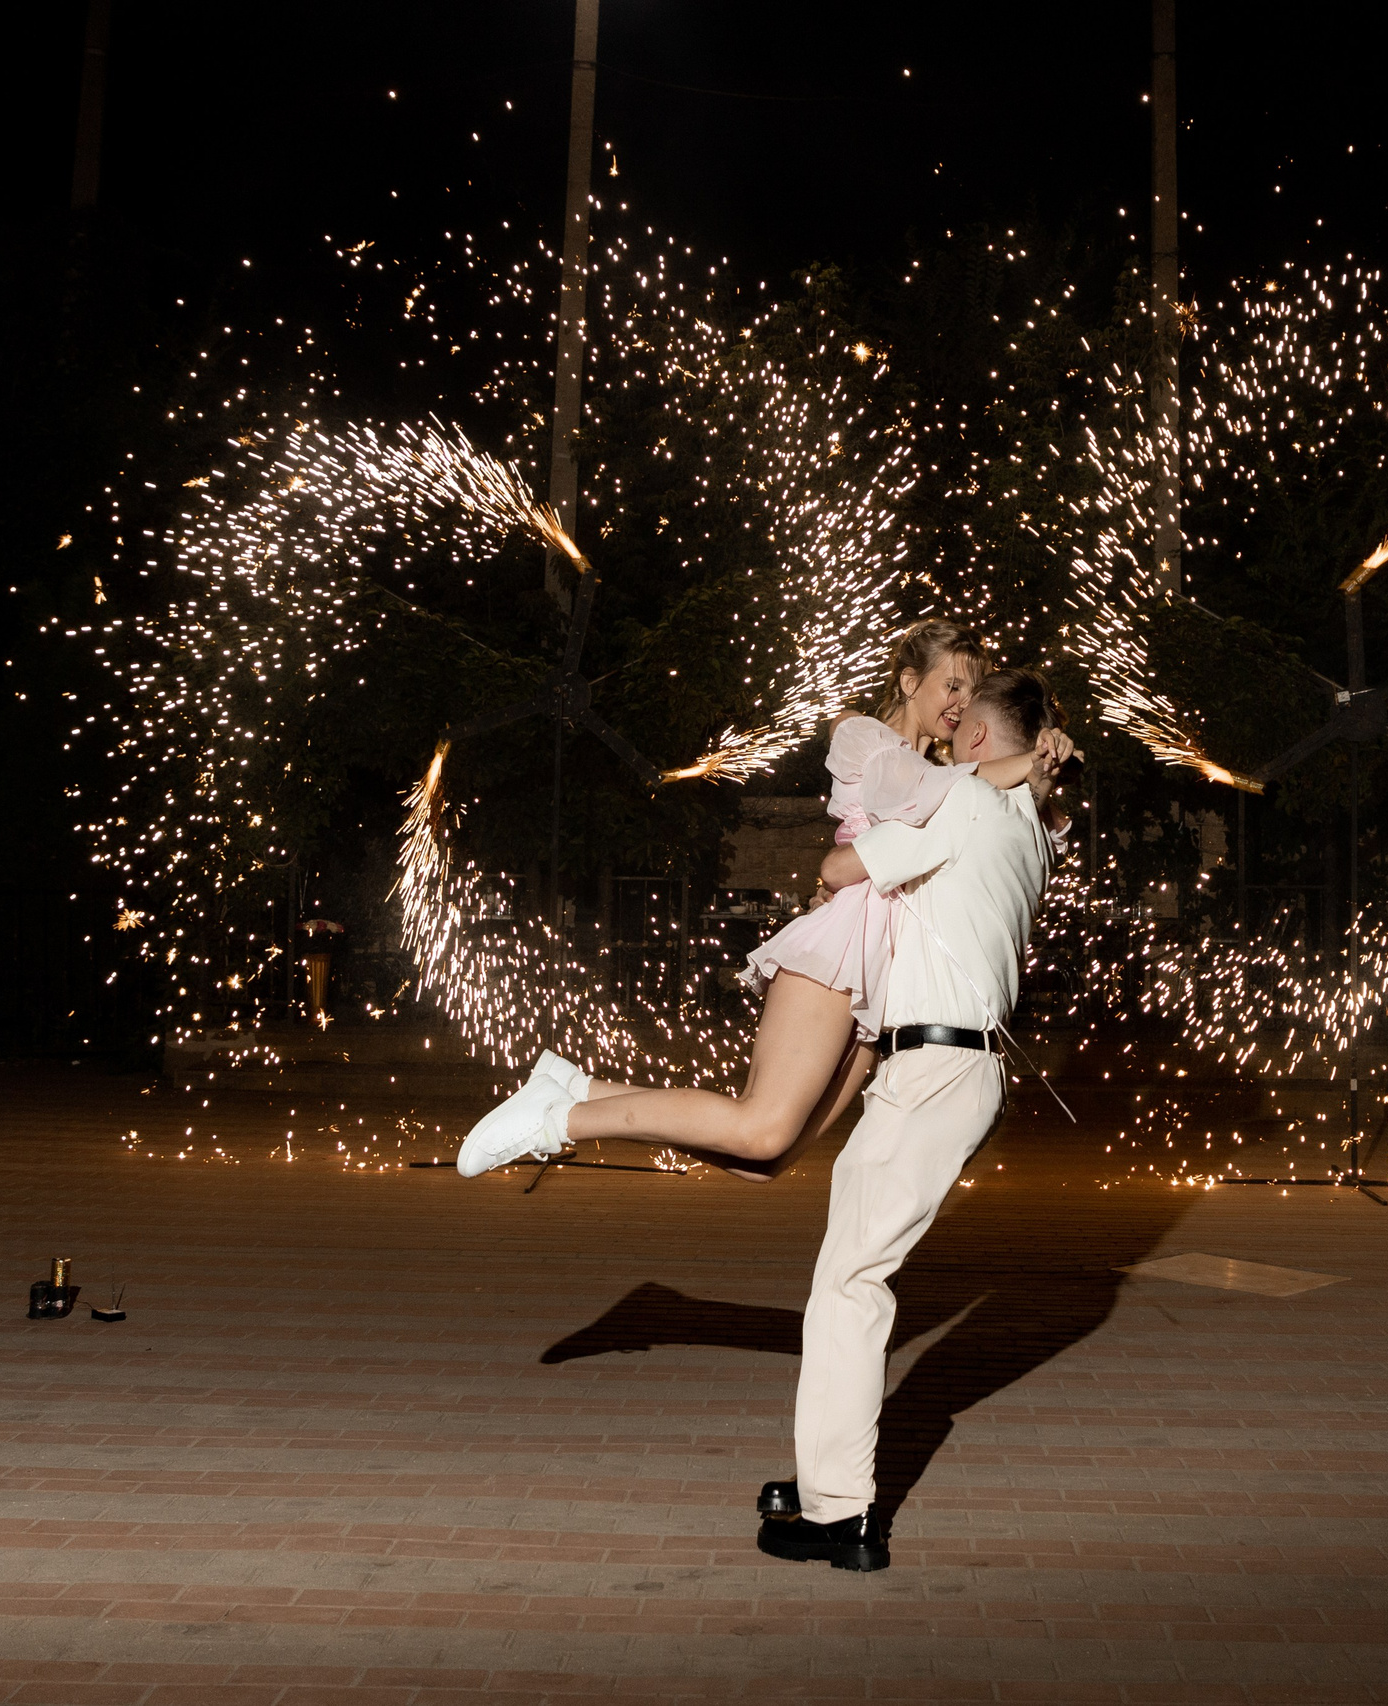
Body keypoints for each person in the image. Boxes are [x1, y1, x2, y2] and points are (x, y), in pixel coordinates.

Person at [456, 621, 1070, 1180]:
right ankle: (557, 1121)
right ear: (911, 682)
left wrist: (1041, 772)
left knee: (766, 1160)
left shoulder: (949, 772)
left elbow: (1015, 827)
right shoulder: (869, 738)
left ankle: (572, 1087)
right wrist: (1025, 759)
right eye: (951, 685)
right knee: (764, 1127)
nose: (963, 704)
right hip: (845, 944)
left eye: (973, 690)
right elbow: (917, 795)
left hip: (885, 975)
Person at [750, 668, 1065, 1571]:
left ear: (973, 746)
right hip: (960, 1070)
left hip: (931, 1069)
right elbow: (1036, 809)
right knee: (853, 1277)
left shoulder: (960, 808)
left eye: (963, 719)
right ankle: (822, 1483)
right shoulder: (1033, 834)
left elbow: (838, 867)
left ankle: (841, 1517)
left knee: (850, 1287)